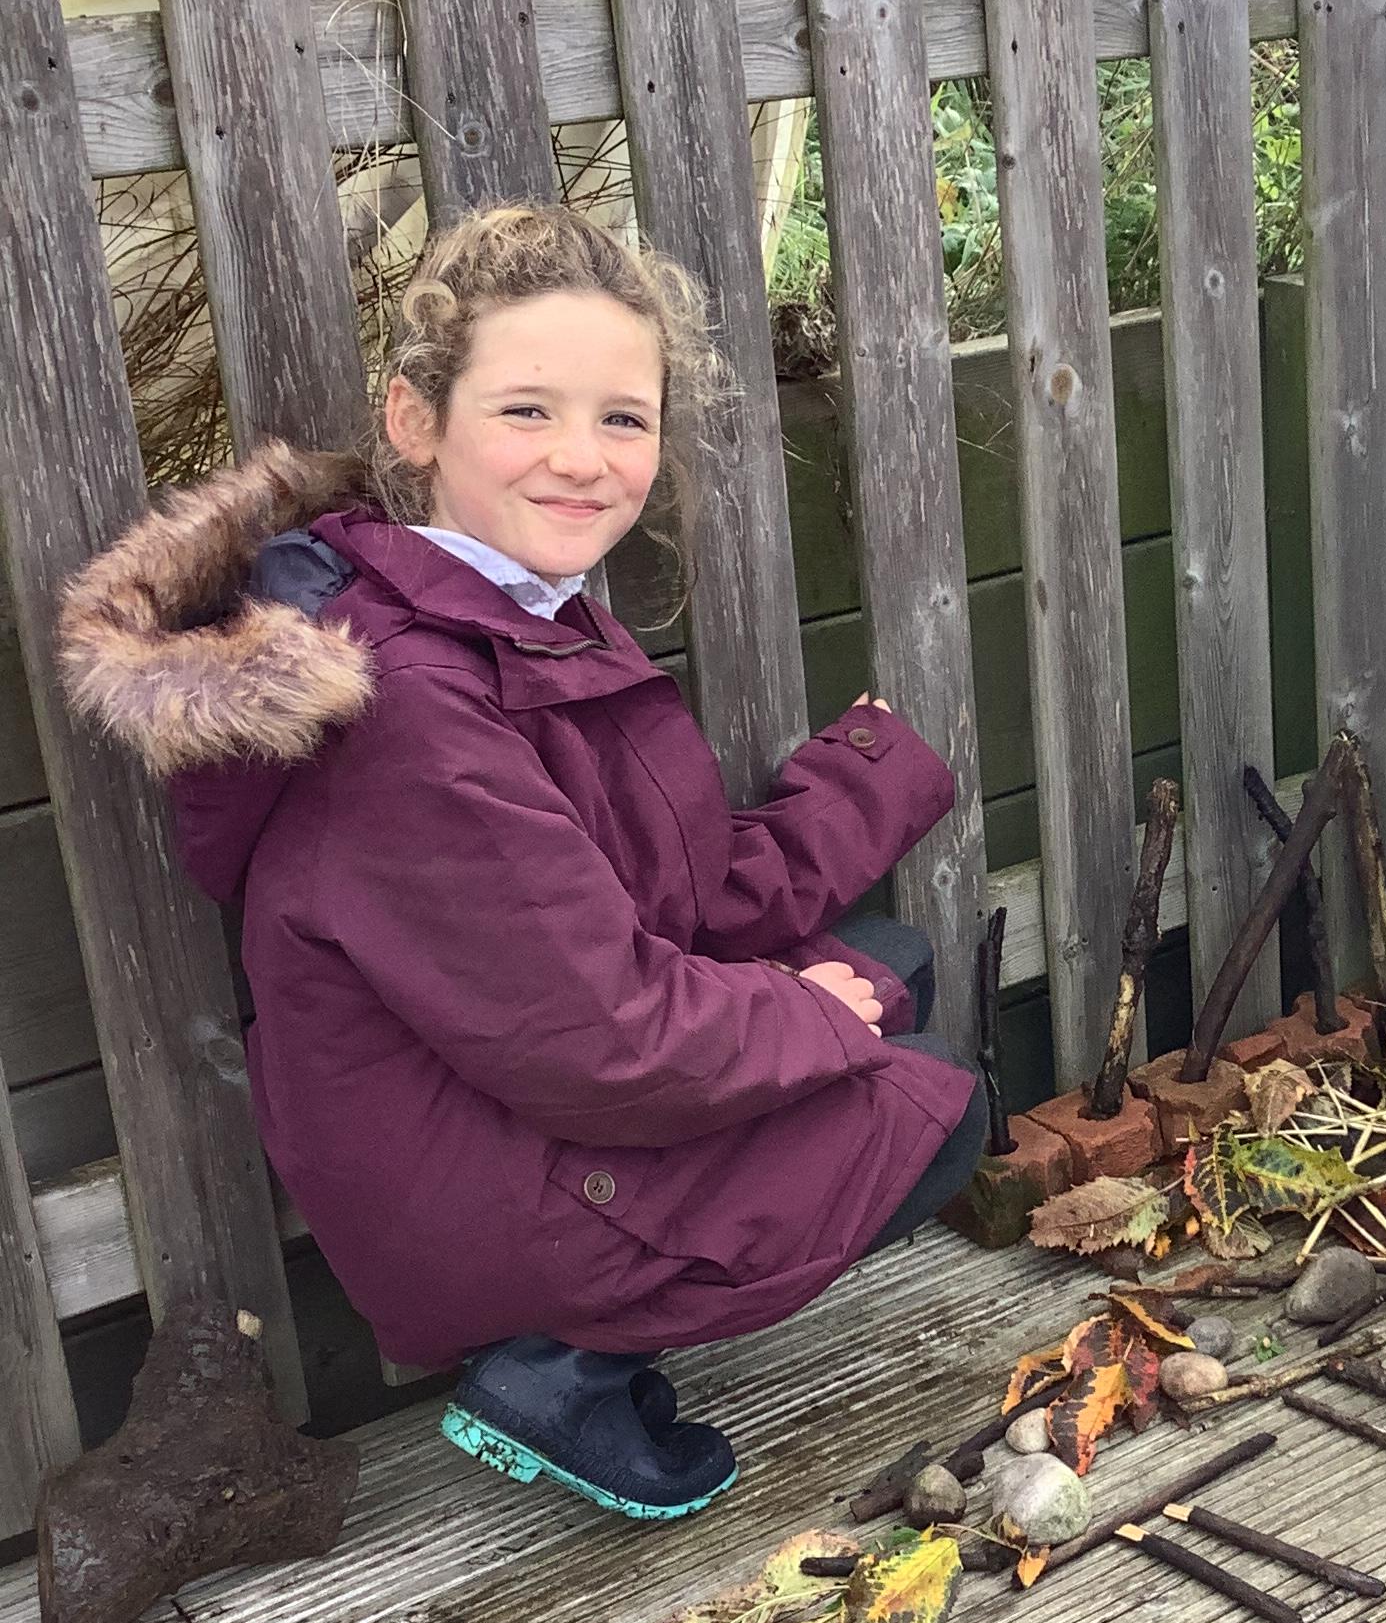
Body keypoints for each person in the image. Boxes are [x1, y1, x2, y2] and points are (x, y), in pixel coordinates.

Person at [59, 201, 987, 1521]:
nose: (581, 459)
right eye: (527, 411)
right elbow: (608, 1040)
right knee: (938, 1107)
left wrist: (863, 784)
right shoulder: (410, 710)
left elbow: (680, 900)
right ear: (415, 422)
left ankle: (586, 1330)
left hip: (504, 1104)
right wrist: (811, 1014)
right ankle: (556, 1370)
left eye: (623, 418)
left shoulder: (517, 615)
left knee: (892, 966)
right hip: (476, 1176)